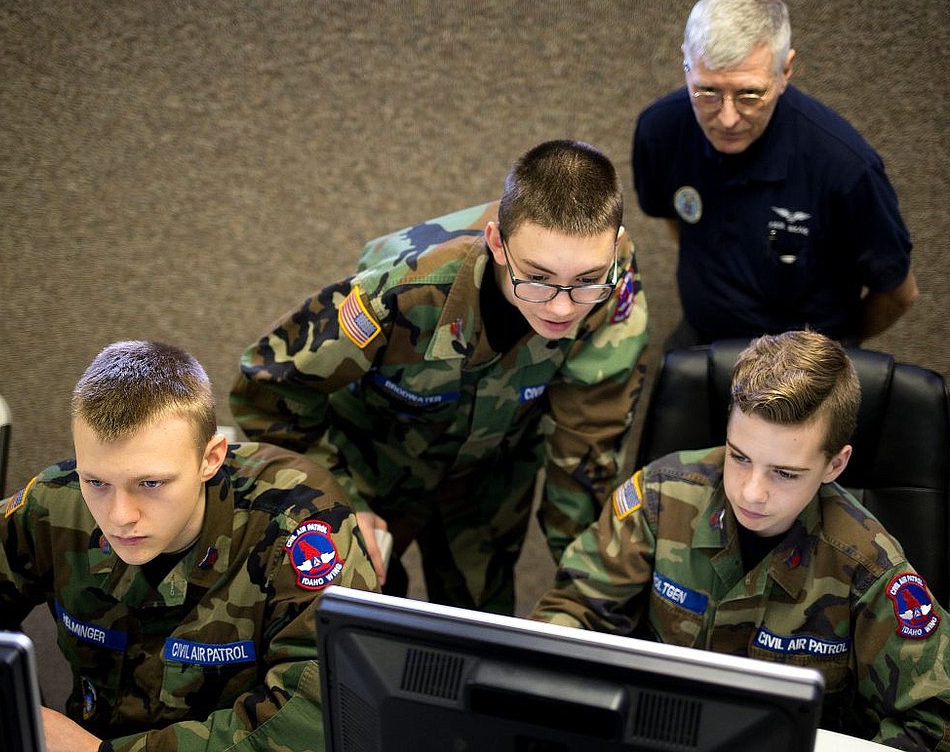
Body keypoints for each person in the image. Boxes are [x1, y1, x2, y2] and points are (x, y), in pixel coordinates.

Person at [530, 330, 950, 751]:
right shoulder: (661, 497)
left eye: (785, 472)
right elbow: (574, 612)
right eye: (740, 457)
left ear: (835, 466)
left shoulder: (867, 567)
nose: (751, 492)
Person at [230, 139, 648, 615]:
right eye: (537, 277)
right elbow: (269, 388)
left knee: (480, 626)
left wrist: (585, 601)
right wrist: (337, 500)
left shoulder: (612, 281)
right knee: (357, 614)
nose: (561, 305)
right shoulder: (407, 288)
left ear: (613, 249)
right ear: (497, 243)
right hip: (372, 459)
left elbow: (588, 450)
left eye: (585, 281)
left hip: (488, 474)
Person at [0, 340, 379, 752]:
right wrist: (5, 710)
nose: (120, 515)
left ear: (210, 457)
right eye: (97, 481)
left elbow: (321, 717)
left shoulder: (298, 524)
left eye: (150, 483)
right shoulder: (57, 502)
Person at [632, 0, 919, 349]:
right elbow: (678, 220)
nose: (728, 118)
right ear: (686, 62)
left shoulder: (847, 167)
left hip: (801, 362)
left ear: (785, 70)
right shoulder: (659, 129)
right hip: (704, 338)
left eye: (750, 94)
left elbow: (899, 294)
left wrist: (833, 351)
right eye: (707, 92)